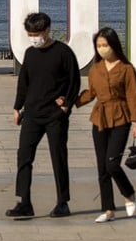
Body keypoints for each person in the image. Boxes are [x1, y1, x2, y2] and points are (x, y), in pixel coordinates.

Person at [6, 12, 81, 219]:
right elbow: (24, 83)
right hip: (31, 114)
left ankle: (62, 202)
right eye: (30, 34)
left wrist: (65, 106)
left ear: (47, 30)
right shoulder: (30, 53)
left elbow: (74, 81)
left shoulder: (63, 52)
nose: (33, 38)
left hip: (55, 116)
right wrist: (17, 107)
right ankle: (24, 202)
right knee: (24, 157)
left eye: (36, 33)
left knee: (58, 157)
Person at [76, 27, 136, 223]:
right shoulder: (95, 69)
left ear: (114, 45)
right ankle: (107, 209)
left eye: (105, 45)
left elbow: (134, 96)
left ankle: (128, 192)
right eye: (98, 45)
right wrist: (73, 101)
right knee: (102, 167)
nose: (102, 49)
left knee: (112, 163)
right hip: (100, 118)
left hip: (121, 117)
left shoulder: (126, 69)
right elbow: (91, 93)